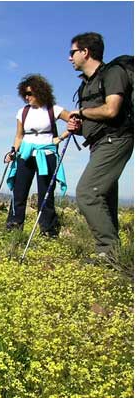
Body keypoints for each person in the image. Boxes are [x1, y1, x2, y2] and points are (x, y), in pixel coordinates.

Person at [67, 32, 133, 258]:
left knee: (87, 193)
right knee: (103, 196)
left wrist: (82, 112)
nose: (69, 58)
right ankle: (116, 255)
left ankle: (107, 251)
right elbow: (94, 115)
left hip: (115, 139)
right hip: (99, 143)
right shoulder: (87, 84)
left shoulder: (113, 73)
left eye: (72, 52)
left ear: (85, 52)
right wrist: (79, 125)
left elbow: (111, 109)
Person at [4, 74, 72, 236]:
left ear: (40, 92)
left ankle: (47, 229)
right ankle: (14, 226)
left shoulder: (53, 109)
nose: (27, 97)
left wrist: (60, 138)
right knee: (19, 192)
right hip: (25, 154)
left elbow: (74, 122)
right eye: (25, 94)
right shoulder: (23, 112)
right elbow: (19, 135)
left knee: (45, 193)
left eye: (30, 93)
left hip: (46, 154)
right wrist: (13, 151)